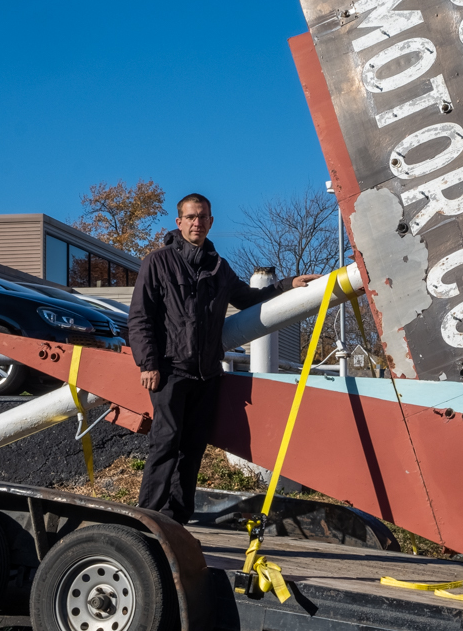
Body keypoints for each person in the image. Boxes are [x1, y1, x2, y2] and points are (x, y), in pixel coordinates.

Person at [128, 193, 319, 524]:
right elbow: (140, 318)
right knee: (166, 443)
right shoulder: (157, 263)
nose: (196, 223)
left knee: (193, 448)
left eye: (202, 217)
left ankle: (177, 519)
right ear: (179, 222)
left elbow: (250, 299)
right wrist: (148, 363)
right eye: (190, 217)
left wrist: (287, 285)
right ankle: (145, 518)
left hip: (206, 375)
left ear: (211, 222)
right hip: (170, 371)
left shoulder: (219, 268)